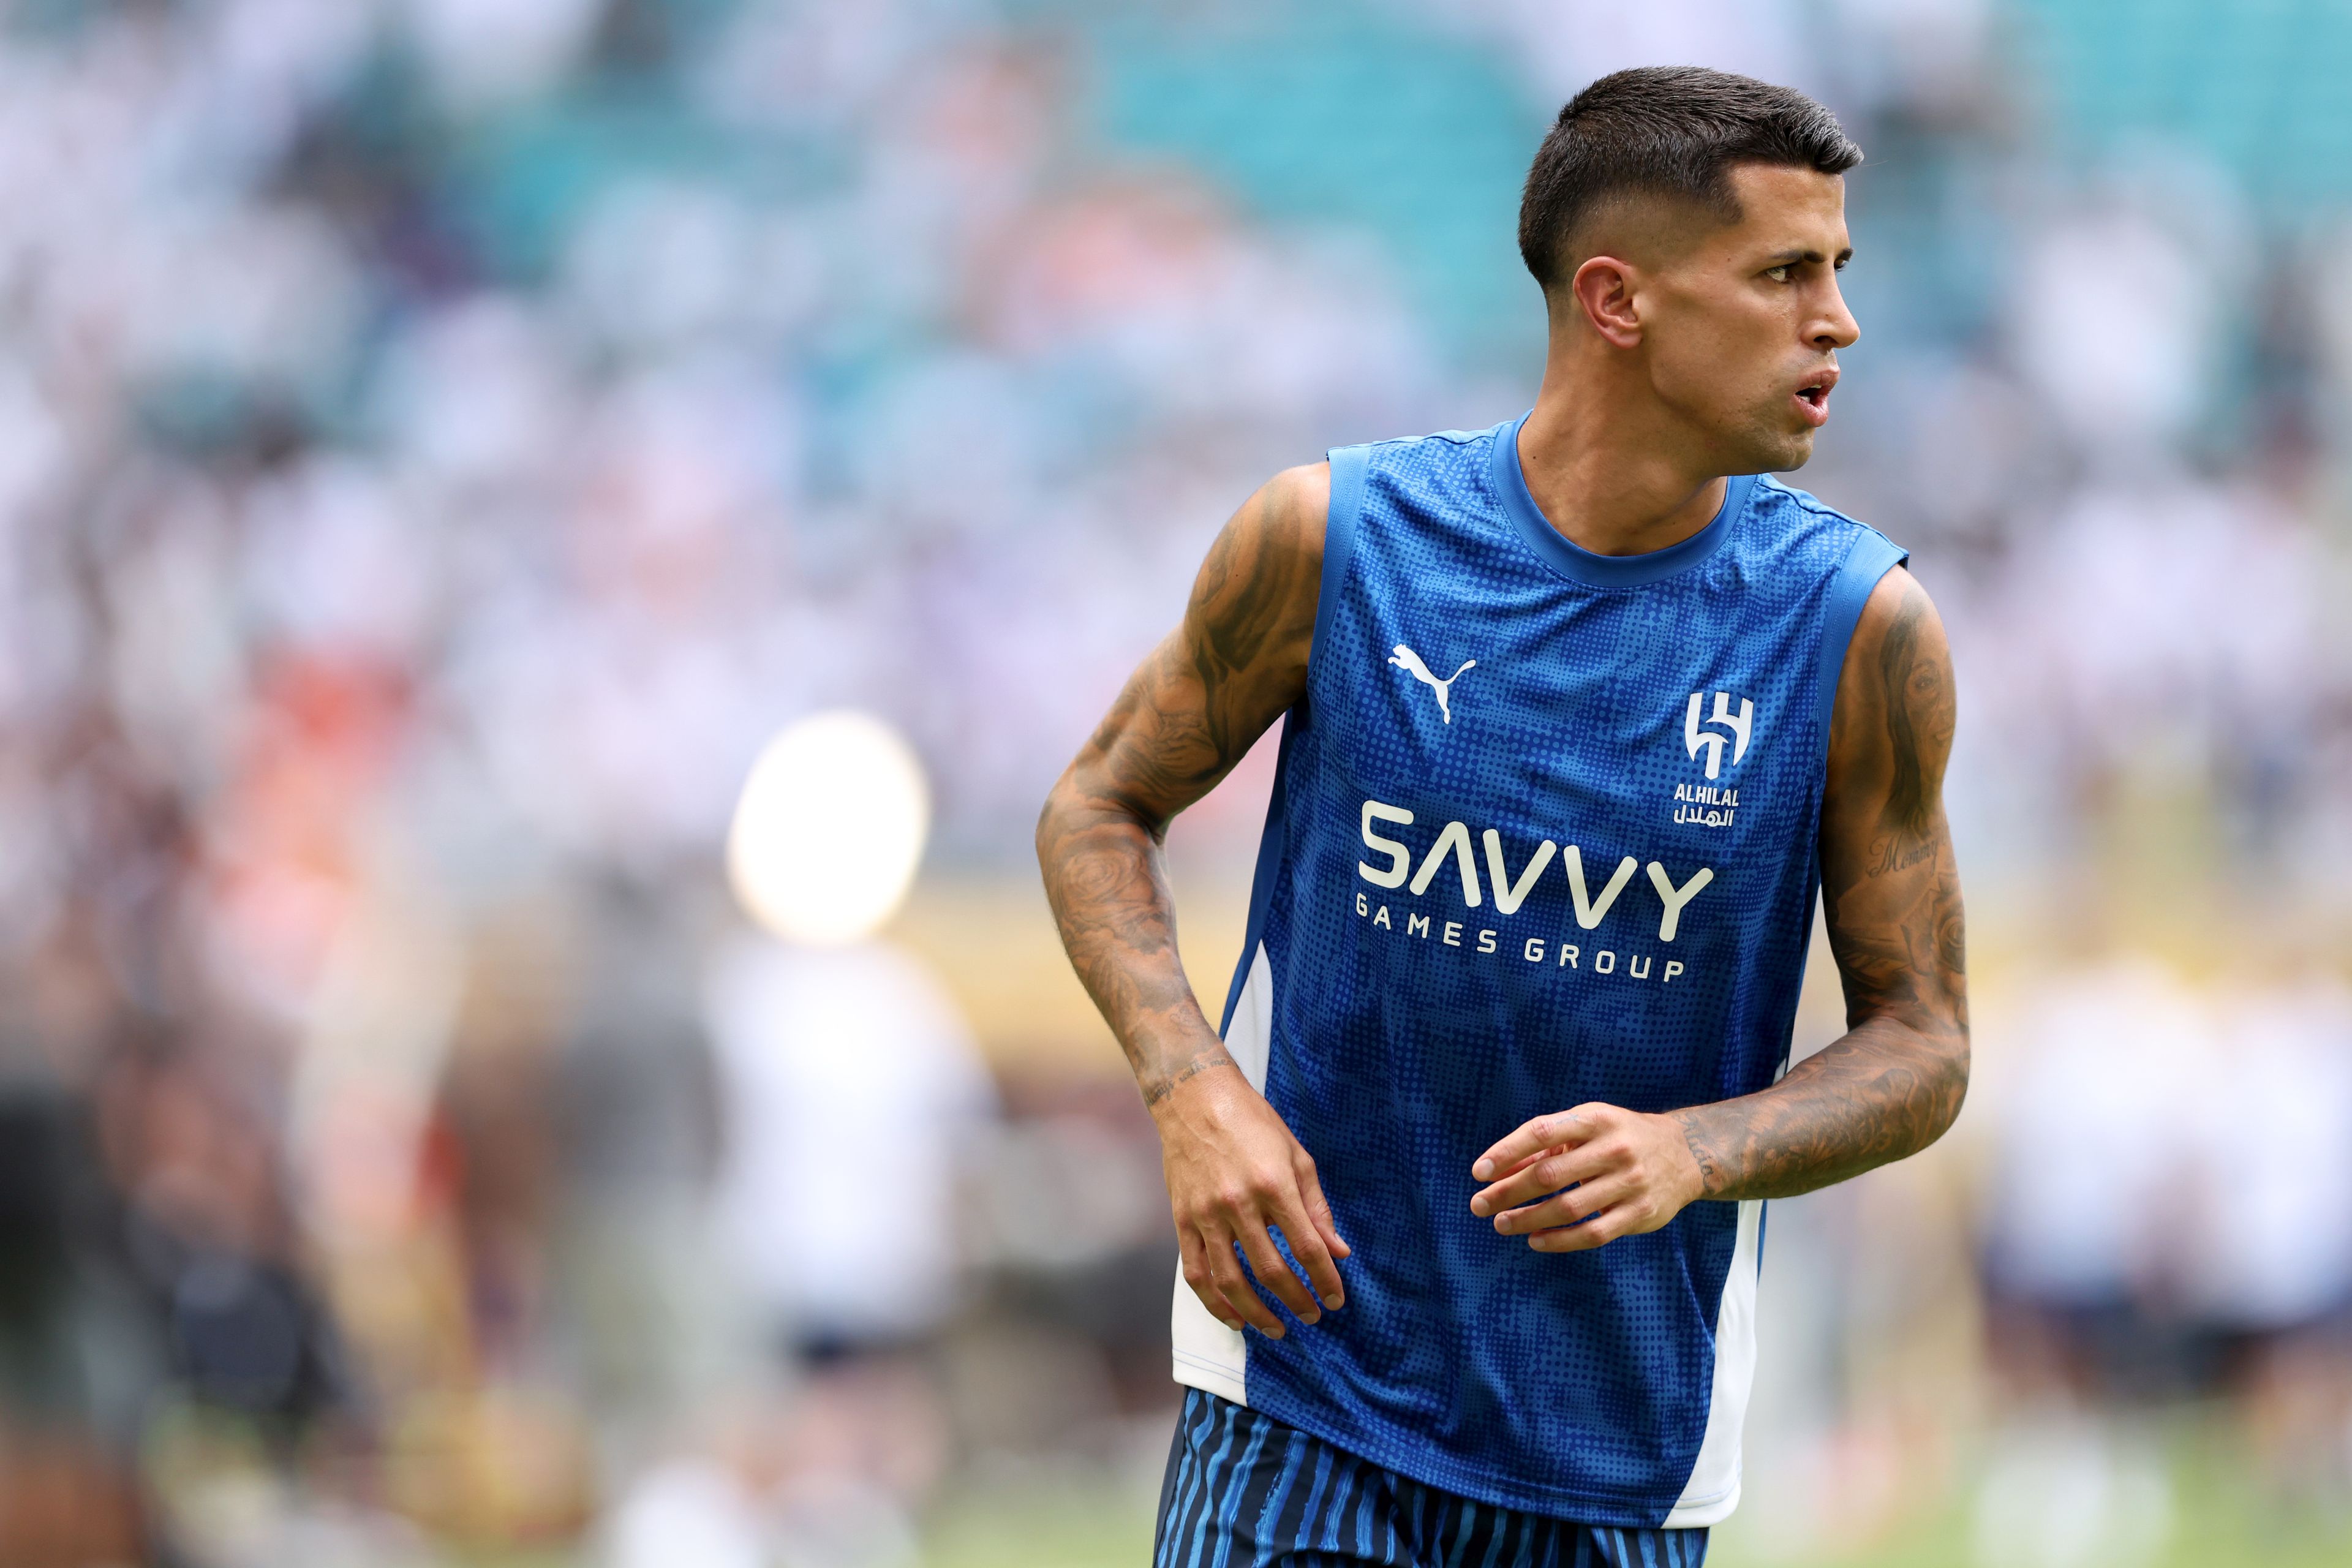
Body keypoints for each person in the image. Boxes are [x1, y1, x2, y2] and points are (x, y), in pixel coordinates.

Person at [1036, 66, 1967, 1567]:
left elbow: (1925, 1039)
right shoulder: (1336, 541)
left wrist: (1699, 1149)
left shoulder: (1859, 630)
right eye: (1784, 273)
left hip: (1617, 1455)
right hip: (1302, 1386)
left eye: (1837, 270)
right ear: (1617, 300)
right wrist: (1192, 1088)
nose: (1838, 321)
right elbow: (1098, 803)